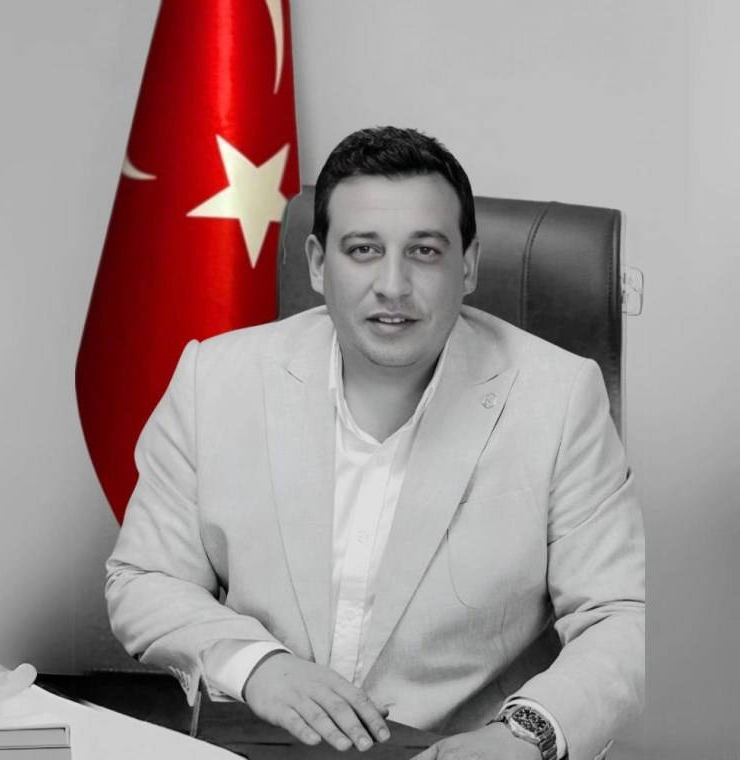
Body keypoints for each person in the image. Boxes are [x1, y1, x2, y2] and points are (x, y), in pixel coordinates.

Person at [106, 126, 644, 760]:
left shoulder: (560, 397)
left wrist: (524, 737)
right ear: (317, 263)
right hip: (265, 743)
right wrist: (257, 665)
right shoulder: (215, 379)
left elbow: (621, 616)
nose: (393, 285)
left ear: (468, 266)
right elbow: (144, 578)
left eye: (424, 251)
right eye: (363, 249)